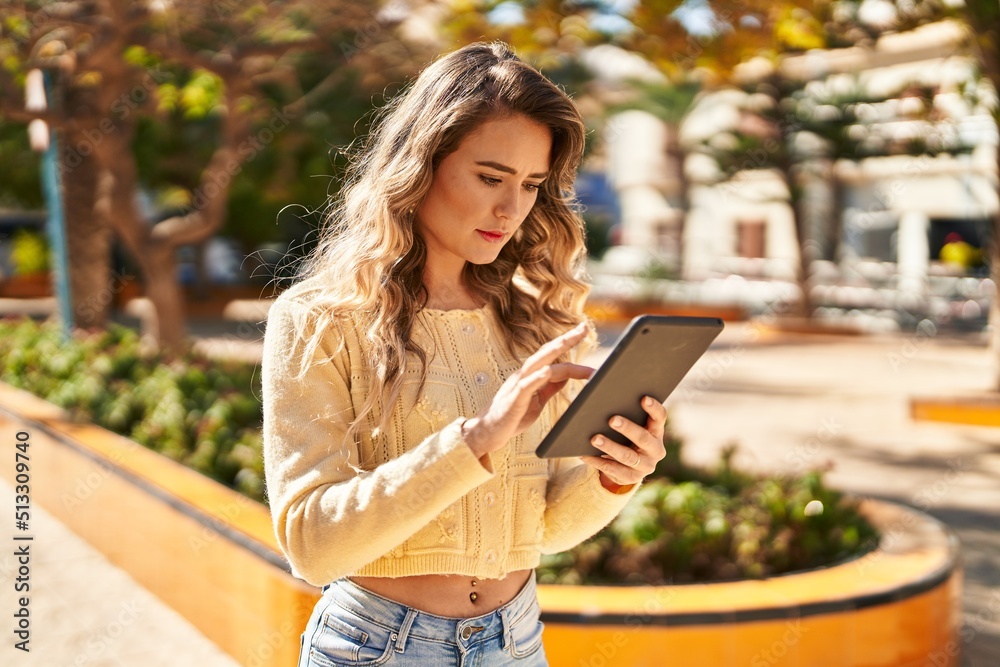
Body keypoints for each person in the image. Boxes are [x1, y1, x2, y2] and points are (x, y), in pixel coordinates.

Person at [262, 41, 669, 667]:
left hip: (518, 640)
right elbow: (313, 546)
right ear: (421, 165)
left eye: (532, 184)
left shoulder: (538, 316)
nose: (511, 209)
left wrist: (614, 474)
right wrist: (475, 439)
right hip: (380, 648)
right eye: (490, 177)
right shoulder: (320, 319)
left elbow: (544, 530)